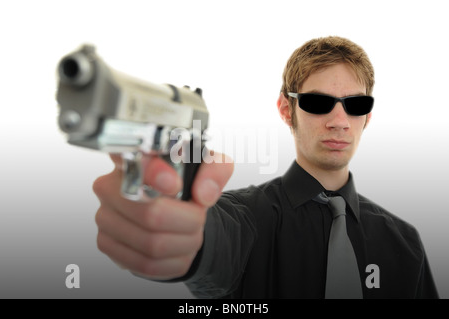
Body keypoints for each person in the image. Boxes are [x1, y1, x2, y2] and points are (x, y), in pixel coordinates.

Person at [93, 36, 439, 299]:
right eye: (318, 103)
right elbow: (209, 243)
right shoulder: (243, 219)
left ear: (368, 116)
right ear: (286, 110)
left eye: (355, 105)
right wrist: (180, 234)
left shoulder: (405, 243)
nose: (339, 121)